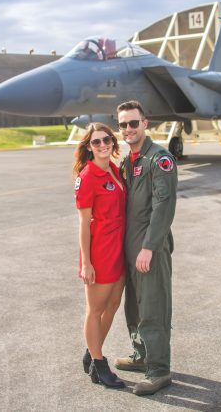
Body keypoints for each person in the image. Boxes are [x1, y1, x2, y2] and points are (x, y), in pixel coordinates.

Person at [114, 100, 177, 396]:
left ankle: (159, 369)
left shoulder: (159, 159)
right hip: (130, 250)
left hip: (148, 250)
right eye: (123, 124)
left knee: (154, 307)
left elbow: (164, 205)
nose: (128, 129)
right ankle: (141, 356)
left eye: (133, 123)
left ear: (145, 123)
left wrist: (149, 247)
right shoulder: (130, 161)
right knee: (134, 307)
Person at [73, 123, 126, 389]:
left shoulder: (115, 169)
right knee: (95, 310)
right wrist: (87, 263)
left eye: (107, 139)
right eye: (96, 142)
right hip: (100, 251)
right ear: (89, 146)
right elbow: (83, 223)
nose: (103, 144)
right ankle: (99, 365)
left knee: (113, 305)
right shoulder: (87, 176)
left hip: (119, 248)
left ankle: (91, 352)